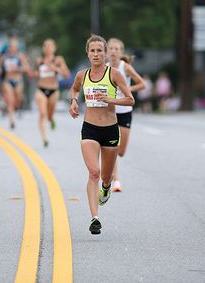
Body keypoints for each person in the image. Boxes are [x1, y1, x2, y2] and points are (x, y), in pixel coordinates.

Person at [69, 35, 134, 235]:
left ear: (105, 53)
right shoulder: (82, 75)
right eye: (92, 51)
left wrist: (109, 99)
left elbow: (130, 99)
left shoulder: (114, 75)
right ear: (87, 53)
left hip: (110, 129)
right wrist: (73, 102)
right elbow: (74, 89)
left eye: (99, 51)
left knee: (105, 177)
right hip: (89, 128)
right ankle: (94, 218)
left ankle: (106, 187)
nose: (96, 54)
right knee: (93, 172)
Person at [106, 38, 145, 192]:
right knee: (112, 146)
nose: (114, 51)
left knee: (121, 152)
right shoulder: (105, 68)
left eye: (116, 49)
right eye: (111, 48)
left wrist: (128, 90)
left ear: (121, 52)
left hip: (125, 112)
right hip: (110, 112)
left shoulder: (125, 67)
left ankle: (110, 173)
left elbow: (143, 84)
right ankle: (116, 181)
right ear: (107, 52)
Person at [34, 38, 70, 147]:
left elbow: (67, 74)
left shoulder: (58, 60)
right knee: (42, 113)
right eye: (45, 45)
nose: (48, 47)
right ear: (43, 48)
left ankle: (51, 119)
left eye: (50, 45)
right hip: (41, 89)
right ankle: (44, 138)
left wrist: (56, 69)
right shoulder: (39, 60)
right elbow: (36, 73)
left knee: (49, 115)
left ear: (54, 48)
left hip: (54, 90)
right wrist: (36, 73)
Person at [0, 38, 32, 129]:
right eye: (11, 46)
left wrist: (18, 69)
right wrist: (1, 71)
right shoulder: (4, 57)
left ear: (17, 48)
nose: (12, 48)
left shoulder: (20, 56)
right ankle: (12, 121)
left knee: (17, 98)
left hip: (18, 81)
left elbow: (27, 67)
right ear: (9, 47)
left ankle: (19, 104)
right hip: (8, 80)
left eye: (14, 47)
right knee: (10, 101)